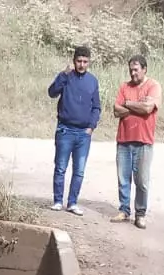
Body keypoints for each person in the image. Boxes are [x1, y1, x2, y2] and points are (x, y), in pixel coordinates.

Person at [48, 45, 100, 216]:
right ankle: (57, 201)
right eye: (79, 61)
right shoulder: (66, 77)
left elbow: (96, 107)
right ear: (74, 61)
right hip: (65, 129)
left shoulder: (92, 81)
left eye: (85, 61)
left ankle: (72, 203)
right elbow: (52, 92)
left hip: (83, 133)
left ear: (89, 62)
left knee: (79, 171)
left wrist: (91, 127)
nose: (82, 65)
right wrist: (62, 75)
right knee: (61, 167)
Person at [112, 54, 161, 228]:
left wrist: (128, 104)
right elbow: (116, 111)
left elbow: (148, 108)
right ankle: (124, 210)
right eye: (130, 70)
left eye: (136, 70)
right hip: (124, 139)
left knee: (142, 181)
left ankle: (140, 214)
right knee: (123, 178)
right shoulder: (124, 86)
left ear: (144, 69)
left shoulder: (153, 86)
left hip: (144, 141)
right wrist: (135, 105)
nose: (133, 73)